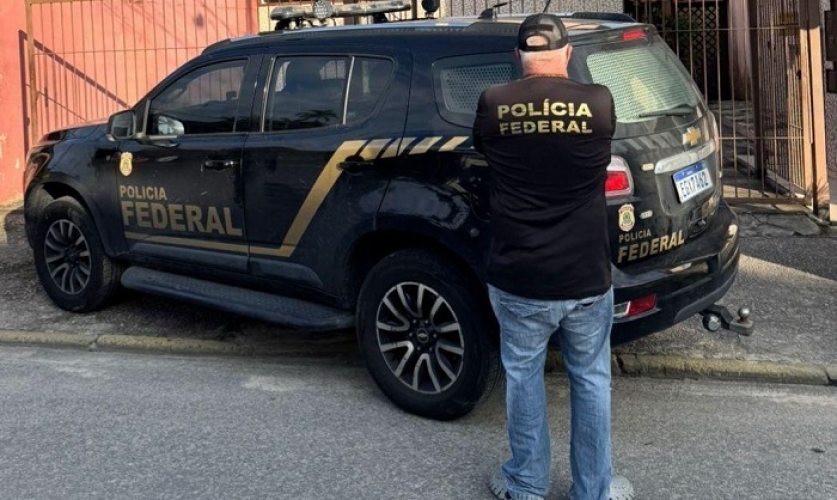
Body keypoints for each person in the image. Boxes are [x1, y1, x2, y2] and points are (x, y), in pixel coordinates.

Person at [472, 13, 634, 500]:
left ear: (518, 56)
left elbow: (483, 147)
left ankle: (525, 484)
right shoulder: (599, 101)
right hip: (585, 274)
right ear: (567, 54)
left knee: (523, 378)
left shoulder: (493, 102)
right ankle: (593, 490)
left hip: (519, 274)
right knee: (591, 381)